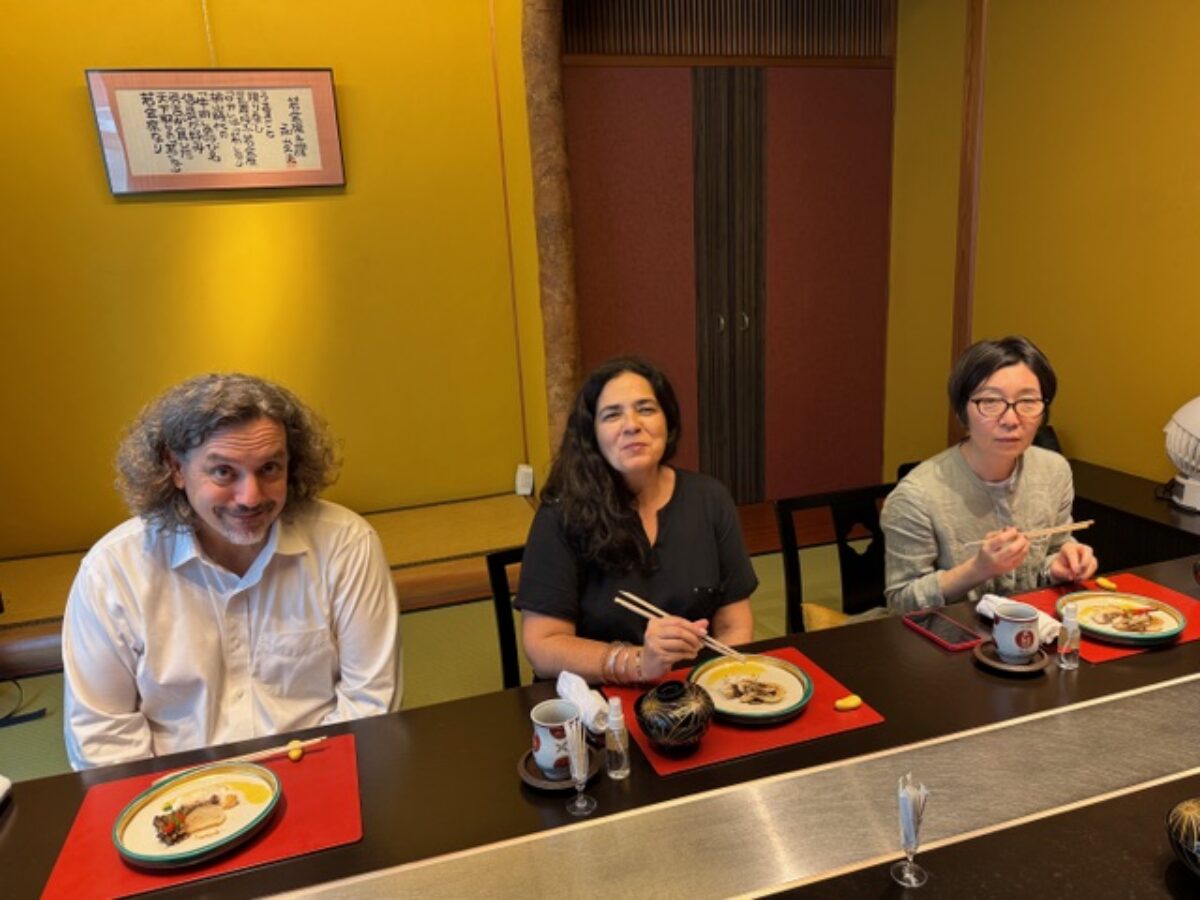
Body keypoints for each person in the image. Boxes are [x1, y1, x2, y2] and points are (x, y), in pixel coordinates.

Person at [62, 374, 401, 769]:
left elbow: (371, 703)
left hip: (319, 778)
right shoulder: (113, 572)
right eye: (223, 472)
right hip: (179, 799)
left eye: (269, 468)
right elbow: (103, 741)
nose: (250, 496)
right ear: (176, 468)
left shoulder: (345, 544)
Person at [515, 357, 757, 684]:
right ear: (592, 434)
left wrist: (714, 689)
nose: (632, 424)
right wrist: (639, 662)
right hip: (596, 701)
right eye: (612, 414)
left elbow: (734, 625)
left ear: (668, 422)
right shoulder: (561, 513)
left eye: (646, 409)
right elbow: (542, 646)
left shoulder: (710, 498)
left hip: (694, 690)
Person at [881, 336, 1097, 614]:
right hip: (951, 639)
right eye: (991, 402)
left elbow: (1053, 549)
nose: (1011, 419)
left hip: (1030, 630)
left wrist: (1061, 565)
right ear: (962, 411)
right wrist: (977, 569)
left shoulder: (1054, 471)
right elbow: (900, 602)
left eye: (1028, 401)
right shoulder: (916, 496)